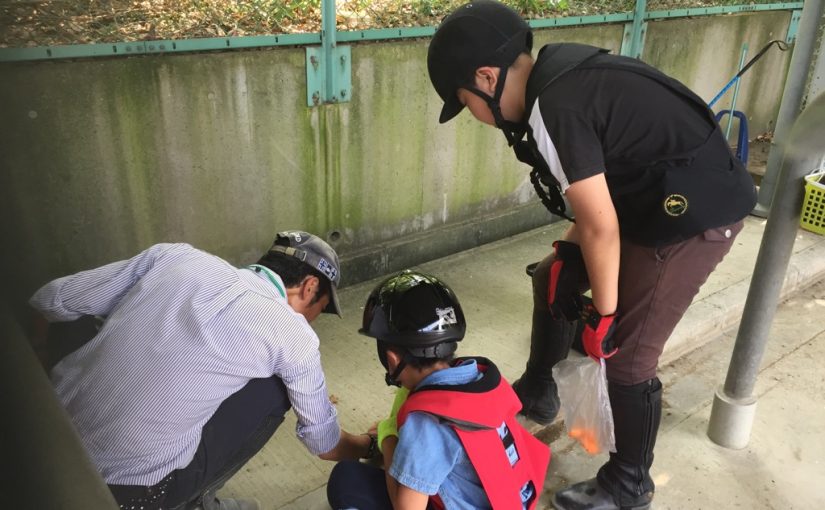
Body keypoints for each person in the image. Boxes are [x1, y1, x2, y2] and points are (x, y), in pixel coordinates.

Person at [426, 2, 757, 509]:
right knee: (551, 276)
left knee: (626, 353)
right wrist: (566, 253)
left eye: (464, 101)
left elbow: (602, 227)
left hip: (694, 215)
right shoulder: (555, 78)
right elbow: (598, 198)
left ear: (487, 78)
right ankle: (540, 389)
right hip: (650, 199)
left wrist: (604, 316)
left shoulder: (555, 107)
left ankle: (629, 482)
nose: (472, 114)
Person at [28, 231, 373, 510]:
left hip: (41, 433)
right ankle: (194, 501)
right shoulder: (293, 334)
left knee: (96, 320)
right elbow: (324, 443)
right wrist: (370, 446)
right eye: (319, 309)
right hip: (125, 494)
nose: (312, 321)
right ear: (310, 287)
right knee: (276, 388)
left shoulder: (176, 257)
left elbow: (50, 300)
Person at [326, 270, 550, 510]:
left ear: (392, 359)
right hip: (515, 500)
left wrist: (388, 439)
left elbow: (407, 508)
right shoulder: (479, 378)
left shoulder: (426, 423)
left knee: (346, 479)